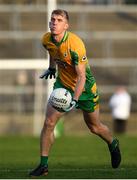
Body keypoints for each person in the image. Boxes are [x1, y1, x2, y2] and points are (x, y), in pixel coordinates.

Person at [29, 9, 121, 177]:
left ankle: (113, 143)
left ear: (66, 25)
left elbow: (81, 77)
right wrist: (51, 67)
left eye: (59, 20)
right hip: (63, 86)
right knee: (49, 123)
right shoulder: (46, 39)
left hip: (84, 89)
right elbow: (52, 51)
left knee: (94, 127)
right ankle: (43, 166)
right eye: (52, 19)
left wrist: (75, 99)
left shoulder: (75, 44)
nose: (54, 22)